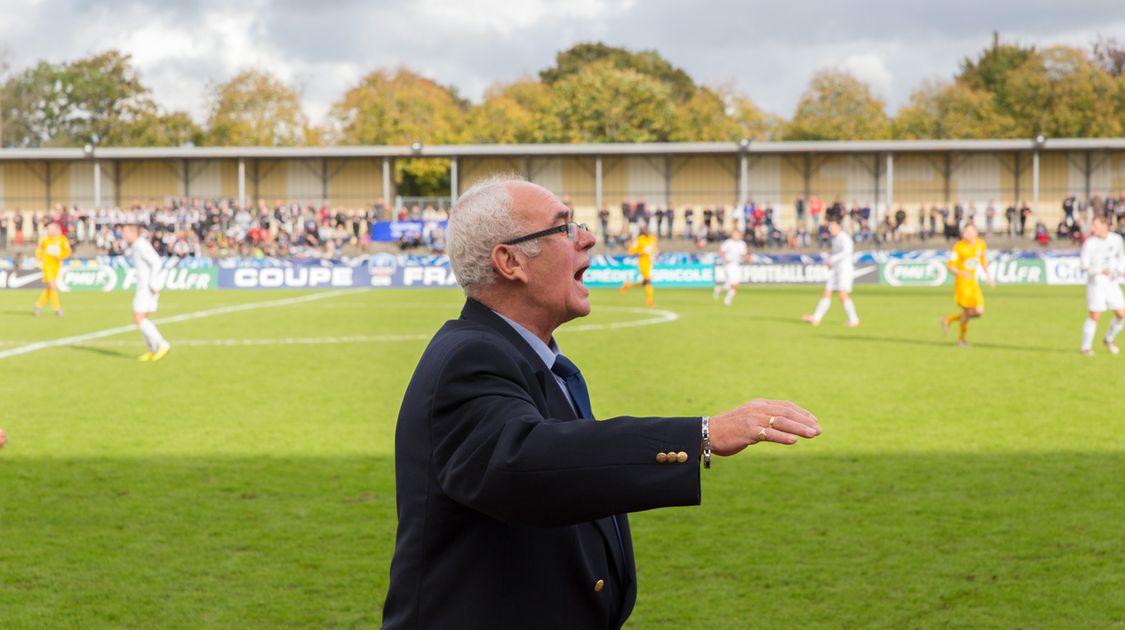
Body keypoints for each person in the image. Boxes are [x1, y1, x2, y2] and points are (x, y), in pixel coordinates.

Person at [382, 176, 821, 629]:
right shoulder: (470, 357)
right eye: (563, 228)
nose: (587, 238)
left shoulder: (527, 357)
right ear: (510, 261)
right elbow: (525, 462)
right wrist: (702, 433)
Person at [122, 222, 171, 362]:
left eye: (125, 232)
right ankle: (152, 350)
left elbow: (156, 262)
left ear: (133, 232)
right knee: (142, 318)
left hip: (147, 287)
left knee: (139, 319)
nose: (123, 235)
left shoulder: (141, 245)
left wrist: (153, 282)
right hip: (144, 286)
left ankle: (162, 344)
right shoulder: (137, 245)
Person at [941, 223, 995, 347]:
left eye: (968, 232)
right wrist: (961, 273)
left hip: (973, 283)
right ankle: (961, 340)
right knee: (967, 312)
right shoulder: (959, 247)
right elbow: (950, 265)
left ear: (975, 233)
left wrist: (988, 276)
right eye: (965, 232)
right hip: (962, 284)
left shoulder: (981, 244)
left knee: (979, 311)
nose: (965, 234)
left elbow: (983, 260)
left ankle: (948, 319)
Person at [1078, 215, 1125, 356]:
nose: (1093, 229)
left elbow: (1121, 256)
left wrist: (1120, 270)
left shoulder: (1116, 239)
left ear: (1105, 226)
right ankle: (1085, 347)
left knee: (1121, 314)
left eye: (1096, 225)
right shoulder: (1089, 243)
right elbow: (1083, 266)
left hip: (1111, 282)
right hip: (1096, 282)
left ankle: (1108, 338)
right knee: (1095, 314)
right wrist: (1099, 270)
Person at [803, 221, 859, 327]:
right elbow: (836, 254)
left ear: (839, 227)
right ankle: (816, 318)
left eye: (832, 228)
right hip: (836, 270)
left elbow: (847, 252)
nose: (830, 230)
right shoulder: (835, 239)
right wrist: (831, 262)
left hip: (844, 270)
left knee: (842, 295)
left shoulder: (844, 238)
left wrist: (832, 259)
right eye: (829, 228)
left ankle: (854, 320)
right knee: (827, 292)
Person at [33, 222, 71, 317]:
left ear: (56, 230)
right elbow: (39, 249)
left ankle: (38, 304)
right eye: (48, 229)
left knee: (50, 288)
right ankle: (57, 308)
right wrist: (38, 258)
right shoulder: (45, 240)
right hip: (47, 266)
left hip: (56, 266)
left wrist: (61, 256)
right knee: (52, 286)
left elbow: (68, 251)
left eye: (51, 229)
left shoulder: (62, 240)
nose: (49, 231)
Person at [621, 224, 658, 307]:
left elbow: (654, 249)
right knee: (648, 281)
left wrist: (655, 253)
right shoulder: (640, 240)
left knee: (645, 283)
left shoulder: (653, 239)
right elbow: (631, 251)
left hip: (650, 262)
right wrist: (641, 251)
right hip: (643, 262)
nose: (647, 231)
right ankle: (649, 301)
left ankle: (627, 285)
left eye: (647, 229)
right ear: (643, 232)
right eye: (645, 230)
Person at [714, 228, 748, 306]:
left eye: (737, 234)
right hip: (729, 265)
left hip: (737, 264)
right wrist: (725, 259)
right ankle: (727, 300)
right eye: (734, 234)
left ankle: (719, 288)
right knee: (733, 284)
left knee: (736, 284)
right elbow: (721, 252)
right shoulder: (728, 243)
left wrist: (747, 259)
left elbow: (744, 254)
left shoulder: (742, 244)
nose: (736, 236)